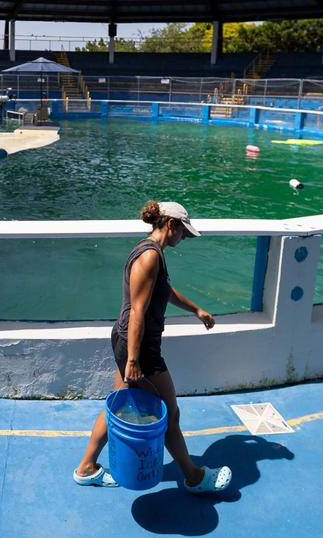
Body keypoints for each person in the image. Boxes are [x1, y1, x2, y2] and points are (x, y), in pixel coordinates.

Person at [74, 201, 232, 493]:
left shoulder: (152, 253)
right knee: (170, 414)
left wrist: (196, 310)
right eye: (183, 232)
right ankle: (194, 477)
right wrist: (134, 360)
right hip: (140, 348)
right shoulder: (149, 257)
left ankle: (86, 467)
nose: (184, 238)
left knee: (120, 403)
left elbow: (164, 290)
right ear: (171, 224)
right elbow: (138, 311)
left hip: (129, 341)